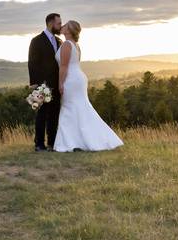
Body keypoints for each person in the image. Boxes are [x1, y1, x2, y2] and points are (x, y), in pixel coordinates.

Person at [52, 20, 124, 153]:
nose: (62, 26)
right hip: (77, 78)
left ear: (69, 30)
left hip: (71, 79)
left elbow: (64, 66)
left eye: (65, 25)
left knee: (70, 107)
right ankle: (77, 141)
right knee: (79, 107)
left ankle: (70, 142)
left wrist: (60, 83)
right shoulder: (76, 45)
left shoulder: (67, 44)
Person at [27, 13, 62, 151]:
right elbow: (32, 63)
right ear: (50, 24)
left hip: (56, 83)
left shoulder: (59, 41)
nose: (60, 26)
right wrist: (34, 83)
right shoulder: (36, 40)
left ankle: (52, 143)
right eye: (58, 23)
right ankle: (39, 144)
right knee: (41, 114)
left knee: (54, 114)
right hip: (41, 84)